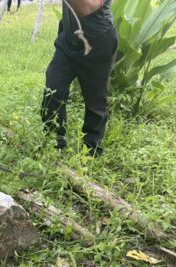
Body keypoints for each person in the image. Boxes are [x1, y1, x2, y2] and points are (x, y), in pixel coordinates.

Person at [41, 0, 117, 157]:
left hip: (97, 42)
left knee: (95, 101)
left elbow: (86, 7)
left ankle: (91, 151)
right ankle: (54, 143)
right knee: (53, 88)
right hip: (69, 40)